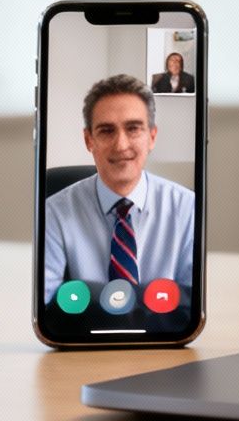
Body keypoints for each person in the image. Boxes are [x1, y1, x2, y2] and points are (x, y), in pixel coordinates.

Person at [42, 75, 195, 306]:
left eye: (133, 129)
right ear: (88, 140)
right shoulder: (53, 212)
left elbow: (190, 304)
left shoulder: (187, 207)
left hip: (165, 340)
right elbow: (45, 302)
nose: (121, 145)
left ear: (151, 137)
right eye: (106, 131)